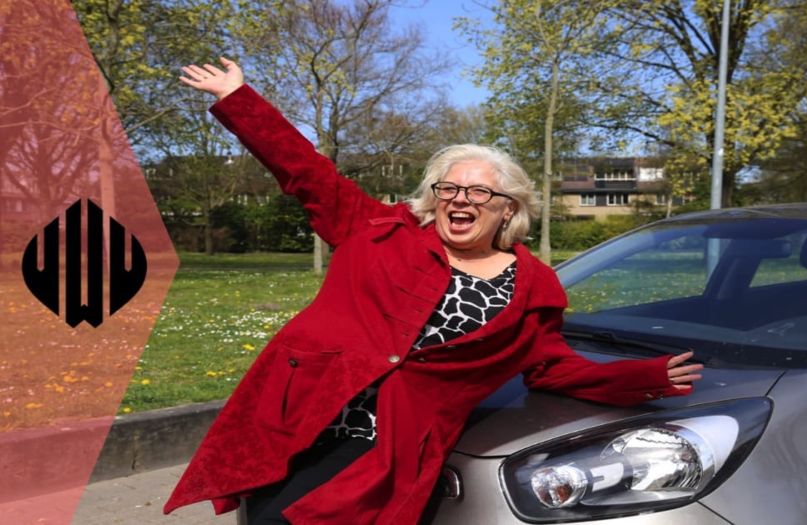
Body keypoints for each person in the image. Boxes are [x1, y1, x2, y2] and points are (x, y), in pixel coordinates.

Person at [164, 57, 703, 525]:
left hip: (388, 446)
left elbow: (550, 368)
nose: (459, 199)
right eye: (449, 188)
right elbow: (306, 172)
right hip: (302, 415)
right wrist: (239, 99)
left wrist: (643, 377)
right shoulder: (378, 230)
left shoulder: (532, 287)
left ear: (507, 208)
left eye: (478, 191)